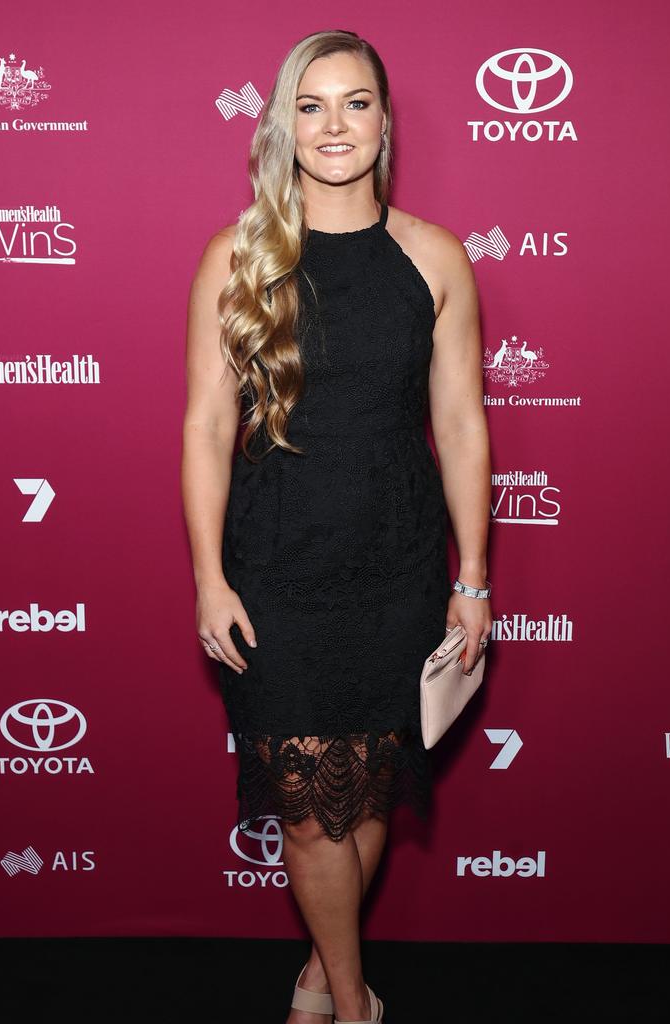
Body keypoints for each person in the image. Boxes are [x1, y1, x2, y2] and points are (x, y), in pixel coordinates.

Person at [181, 29, 493, 1024]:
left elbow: (459, 422)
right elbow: (205, 425)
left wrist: (474, 576)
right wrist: (209, 579)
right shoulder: (238, 256)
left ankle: (322, 969)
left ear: (385, 122)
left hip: (397, 561)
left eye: (355, 102)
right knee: (314, 808)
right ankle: (353, 1002)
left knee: (361, 796)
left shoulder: (434, 256)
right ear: (283, 124)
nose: (334, 125)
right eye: (310, 105)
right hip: (275, 564)